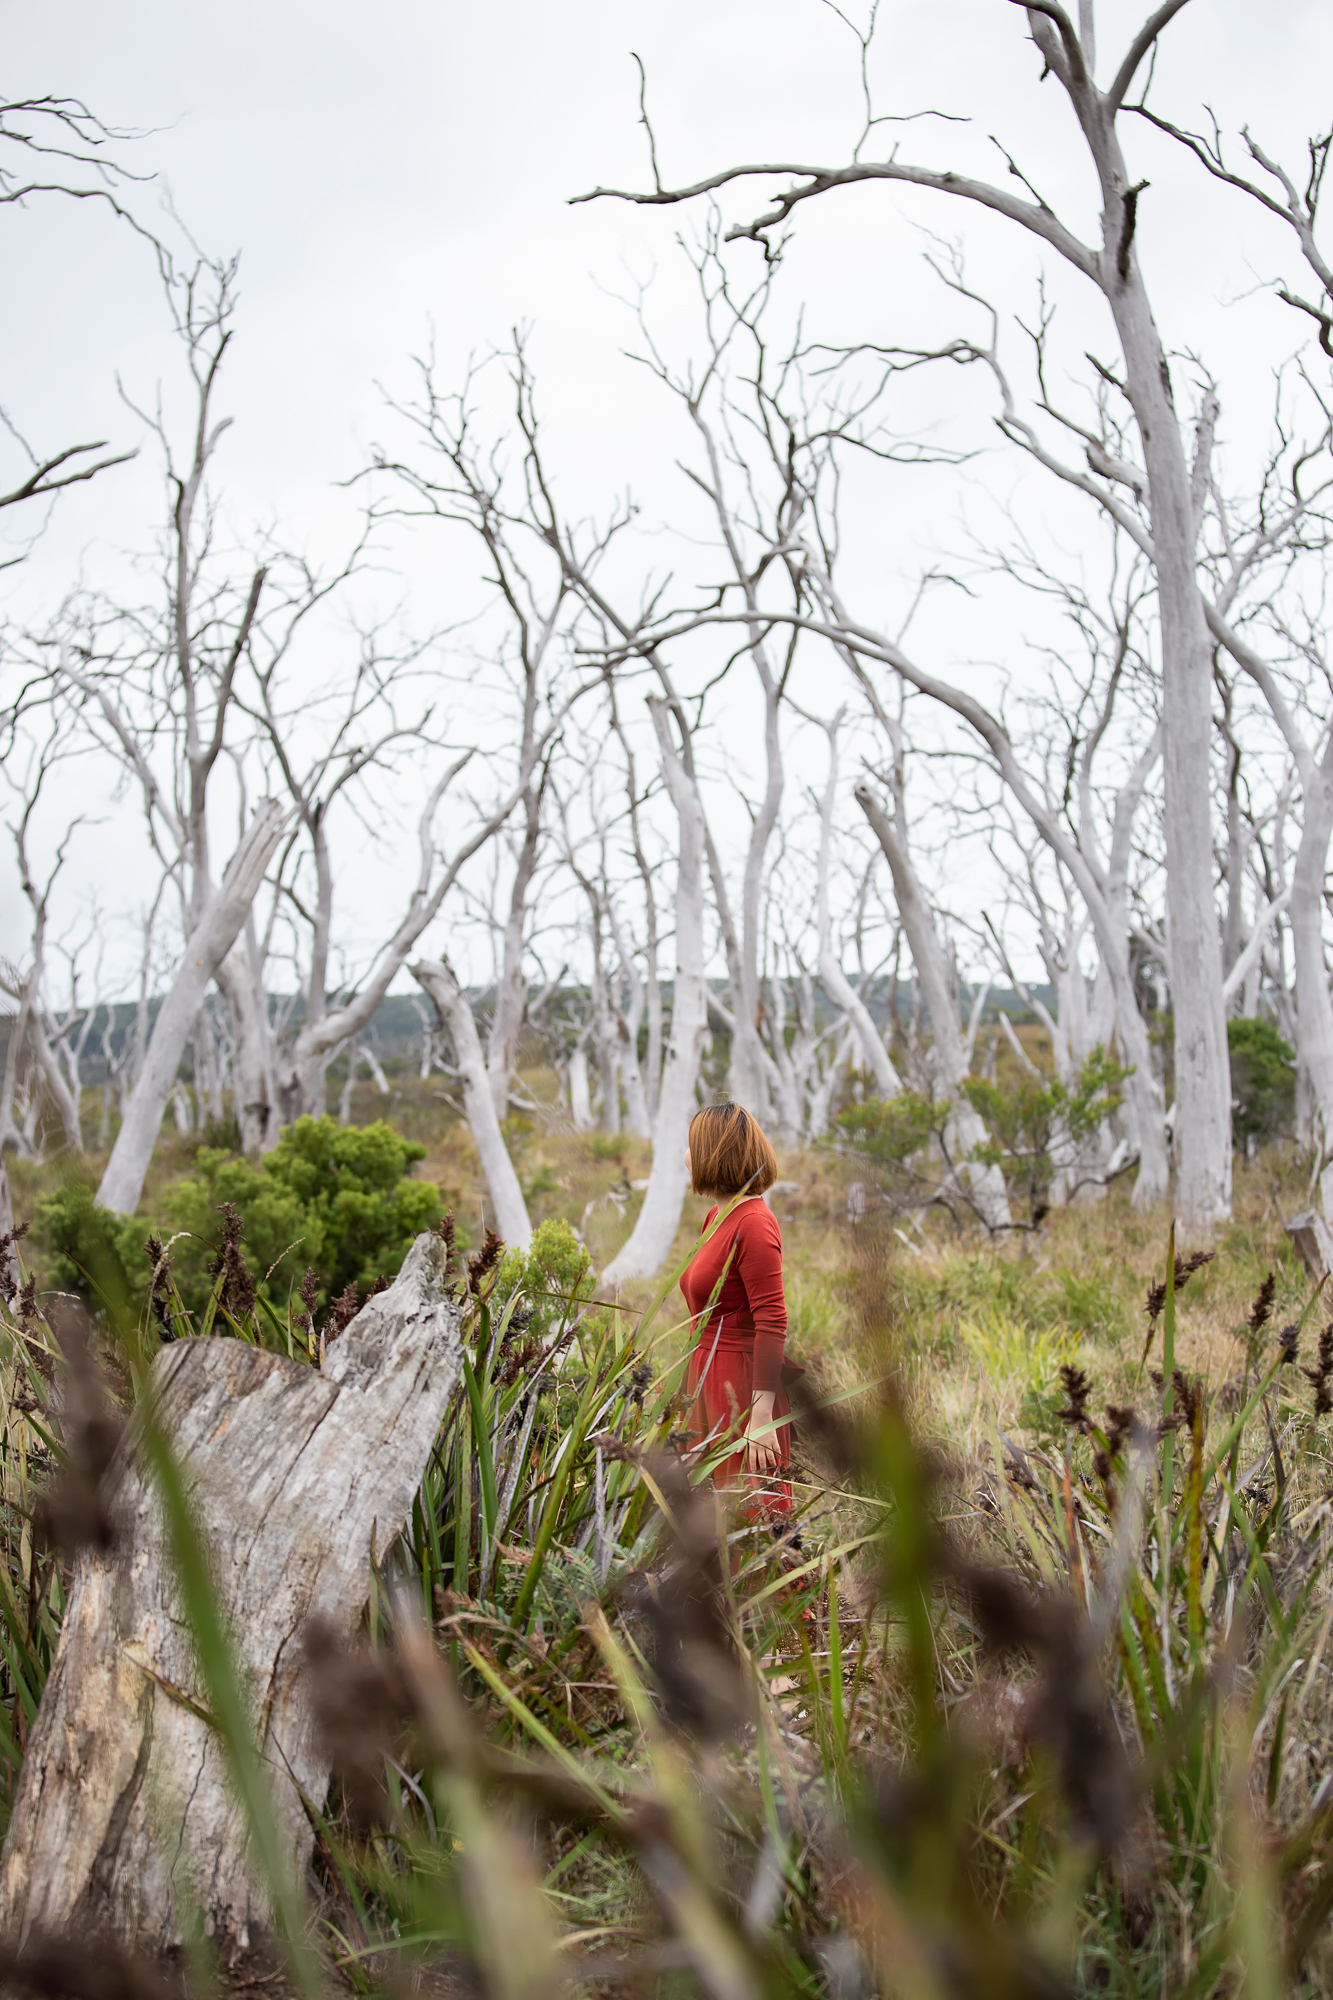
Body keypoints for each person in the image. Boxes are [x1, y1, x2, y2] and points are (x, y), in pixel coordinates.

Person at [679, 1102, 797, 1519]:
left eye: (692, 1146)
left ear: (714, 1153)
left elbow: (772, 1320)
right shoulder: (717, 1214)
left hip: (741, 1386)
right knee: (707, 1520)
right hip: (705, 1375)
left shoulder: (754, 1223)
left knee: (750, 1517)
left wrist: (761, 1415)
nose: (686, 1155)